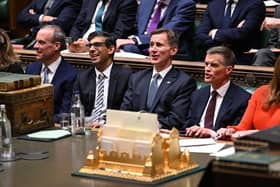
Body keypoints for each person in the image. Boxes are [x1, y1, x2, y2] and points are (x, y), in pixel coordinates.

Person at [121, 28, 196, 130]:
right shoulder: (136, 78)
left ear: (173, 50)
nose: (153, 49)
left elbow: (177, 119)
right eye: (151, 45)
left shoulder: (184, 82)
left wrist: (147, 125)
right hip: (134, 132)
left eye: (159, 45)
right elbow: (125, 110)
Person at [184, 46, 251, 138]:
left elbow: (236, 132)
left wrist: (211, 133)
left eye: (214, 65)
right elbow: (186, 125)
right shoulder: (198, 95)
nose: (207, 69)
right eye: (206, 64)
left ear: (228, 70)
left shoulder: (242, 99)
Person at [73, 31, 132, 127]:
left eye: (97, 45)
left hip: (112, 129)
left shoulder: (126, 77)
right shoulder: (83, 77)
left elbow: (126, 111)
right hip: (87, 127)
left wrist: (106, 125)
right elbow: (76, 108)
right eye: (90, 45)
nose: (91, 49)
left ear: (111, 49)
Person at [217, 57, 280, 139]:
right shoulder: (261, 92)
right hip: (255, 148)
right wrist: (231, 131)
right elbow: (243, 127)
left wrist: (258, 133)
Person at [25, 25, 77, 121]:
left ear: (56, 46)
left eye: (41, 43)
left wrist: (40, 122)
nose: (35, 46)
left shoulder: (71, 75)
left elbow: (65, 113)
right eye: (36, 42)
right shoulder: (31, 69)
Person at [116, 0, 196, 57]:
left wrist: (136, 40)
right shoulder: (146, 2)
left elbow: (167, 33)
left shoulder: (186, 5)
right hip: (139, 50)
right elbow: (136, 27)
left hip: (169, 54)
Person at [195, 0, 265, 65]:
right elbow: (200, 35)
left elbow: (244, 33)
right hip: (212, 56)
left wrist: (215, 33)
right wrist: (227, 38)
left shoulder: (255, 4)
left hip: (240, 58)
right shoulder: (214, 4)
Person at [68, 0, 138, 53]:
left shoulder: (127, 2)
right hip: (80, 45)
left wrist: (89, 43)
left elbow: (120, 34)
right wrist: (72, 41)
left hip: (103, 48)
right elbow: (77, 26)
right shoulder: (89, 1)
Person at [16, 0, 81, 48]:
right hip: (31, 39)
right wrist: (42, 18)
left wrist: (34, 28)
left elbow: (61, 24)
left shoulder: (72, 1)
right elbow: (21, 17)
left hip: (55, 42)